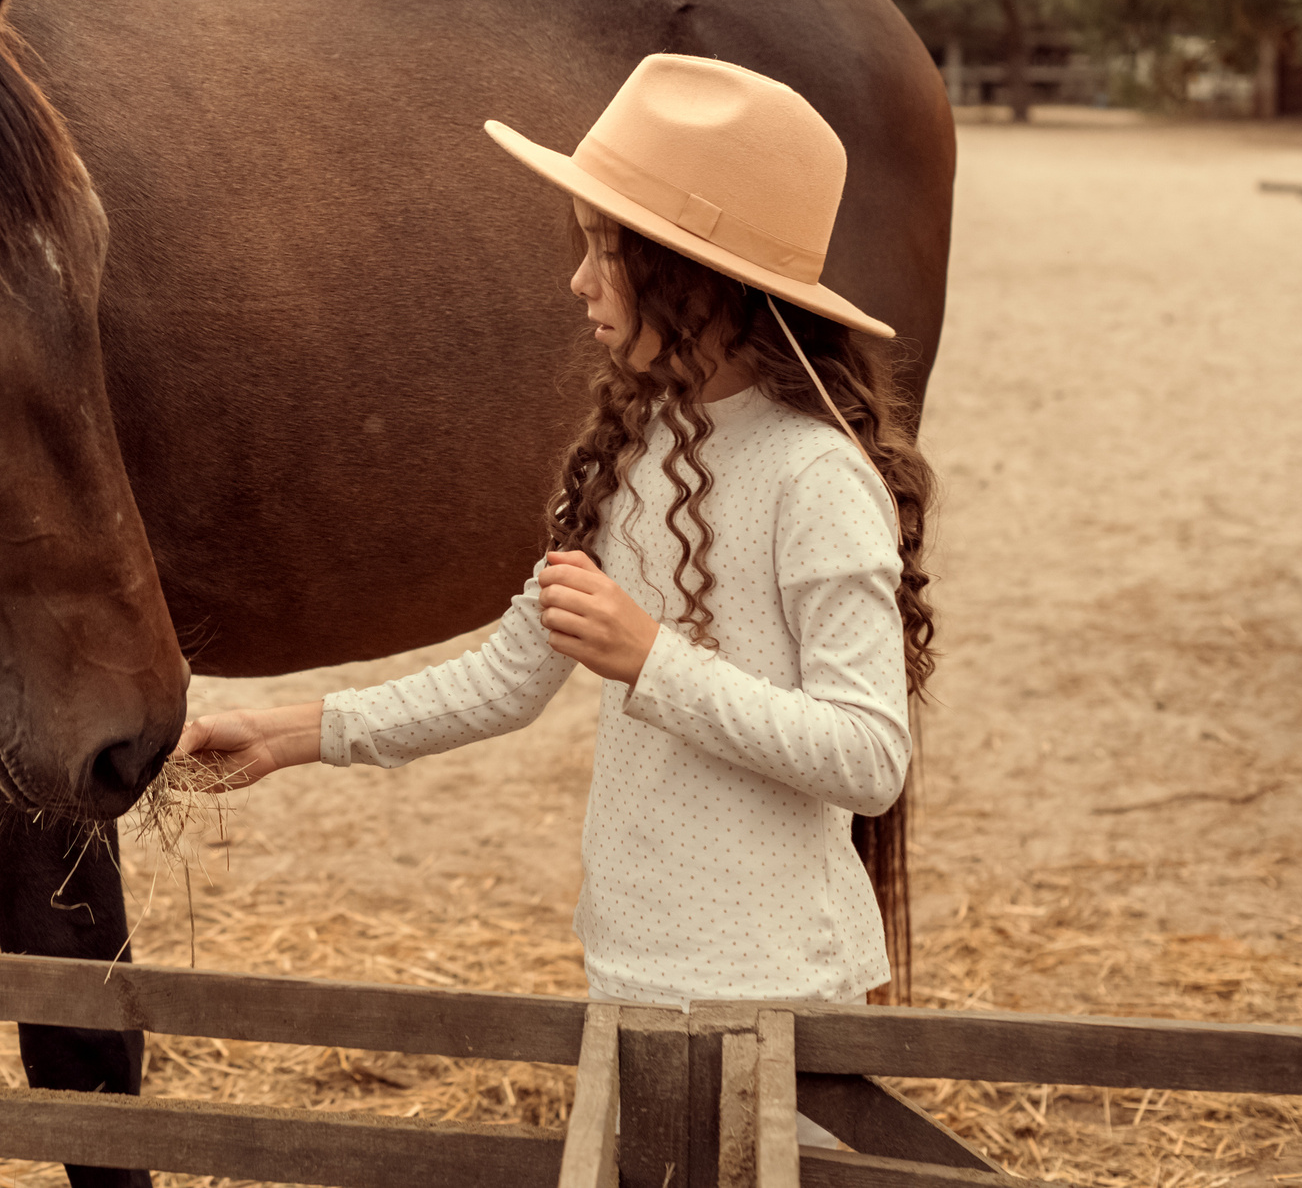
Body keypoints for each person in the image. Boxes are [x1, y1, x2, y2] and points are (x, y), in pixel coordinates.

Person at [176, 52, 937, 1021]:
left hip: (779, 985)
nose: (577, 281)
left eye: (605, 250)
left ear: (694, 276)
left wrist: (651, 659)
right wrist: (294, 732)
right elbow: (504, 679)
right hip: (631, 957)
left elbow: (869, 760)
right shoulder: (632, 447)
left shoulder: (814, 476)